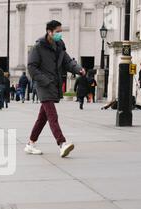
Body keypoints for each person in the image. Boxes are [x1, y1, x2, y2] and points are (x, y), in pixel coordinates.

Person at [25, 20, 85, 158]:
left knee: (43, 118)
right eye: (57, 32)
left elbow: (68, 62)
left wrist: (78, 69)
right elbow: (31, 67)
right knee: (52, 115)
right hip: (43, 85)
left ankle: (30, 144)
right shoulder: (38, 47)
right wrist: (44, 80)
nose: (60, 35)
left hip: (53, 84)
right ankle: (62, 143)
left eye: (61, 32)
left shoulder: (59, 46)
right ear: (49, 32)